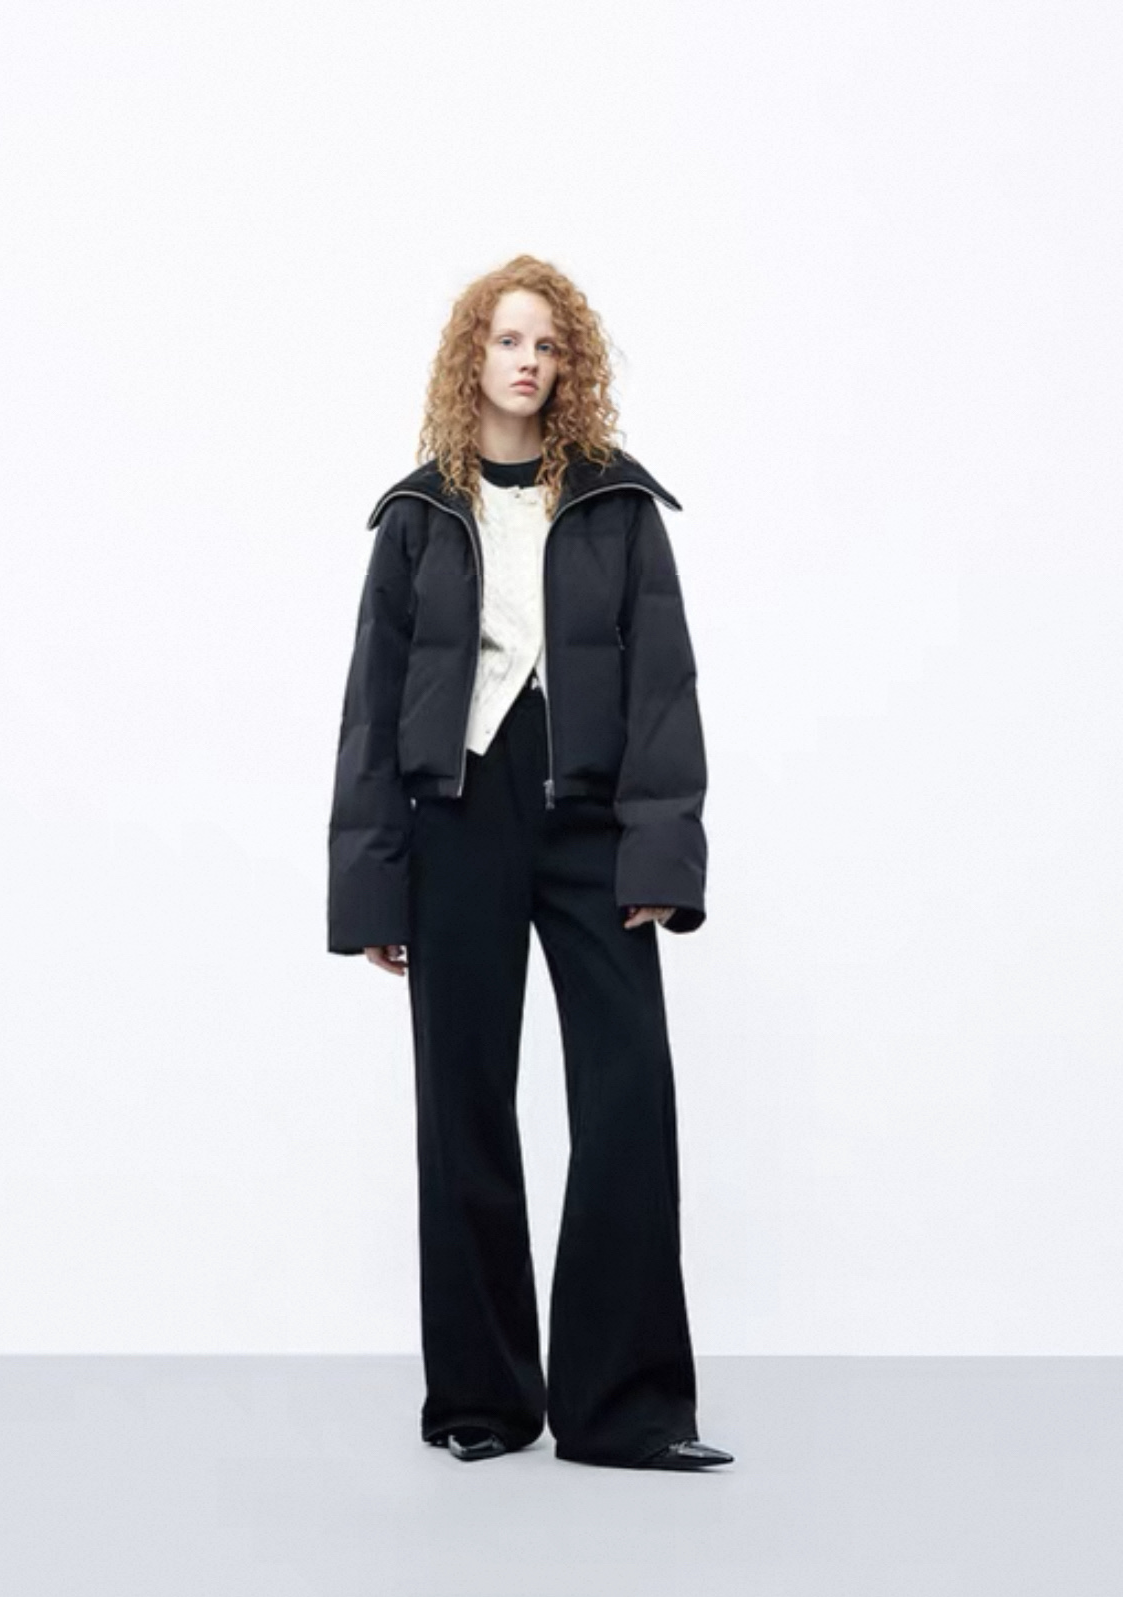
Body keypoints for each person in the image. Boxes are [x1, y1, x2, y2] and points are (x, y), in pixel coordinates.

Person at [327, 254, 733, 1472]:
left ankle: (625, 1407)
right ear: (474, 356)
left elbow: (663, 688)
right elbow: (372, 709)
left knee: (627, 1092)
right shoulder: (419, 516)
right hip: (457, 811)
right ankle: (482, 1399)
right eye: (508, 339)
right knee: (462, 1103)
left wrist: (660, 856)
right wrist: (373, 888)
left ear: (570, 367)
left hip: (588, 813)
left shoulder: (615, 506)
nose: (528, 360)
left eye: (548, 344)